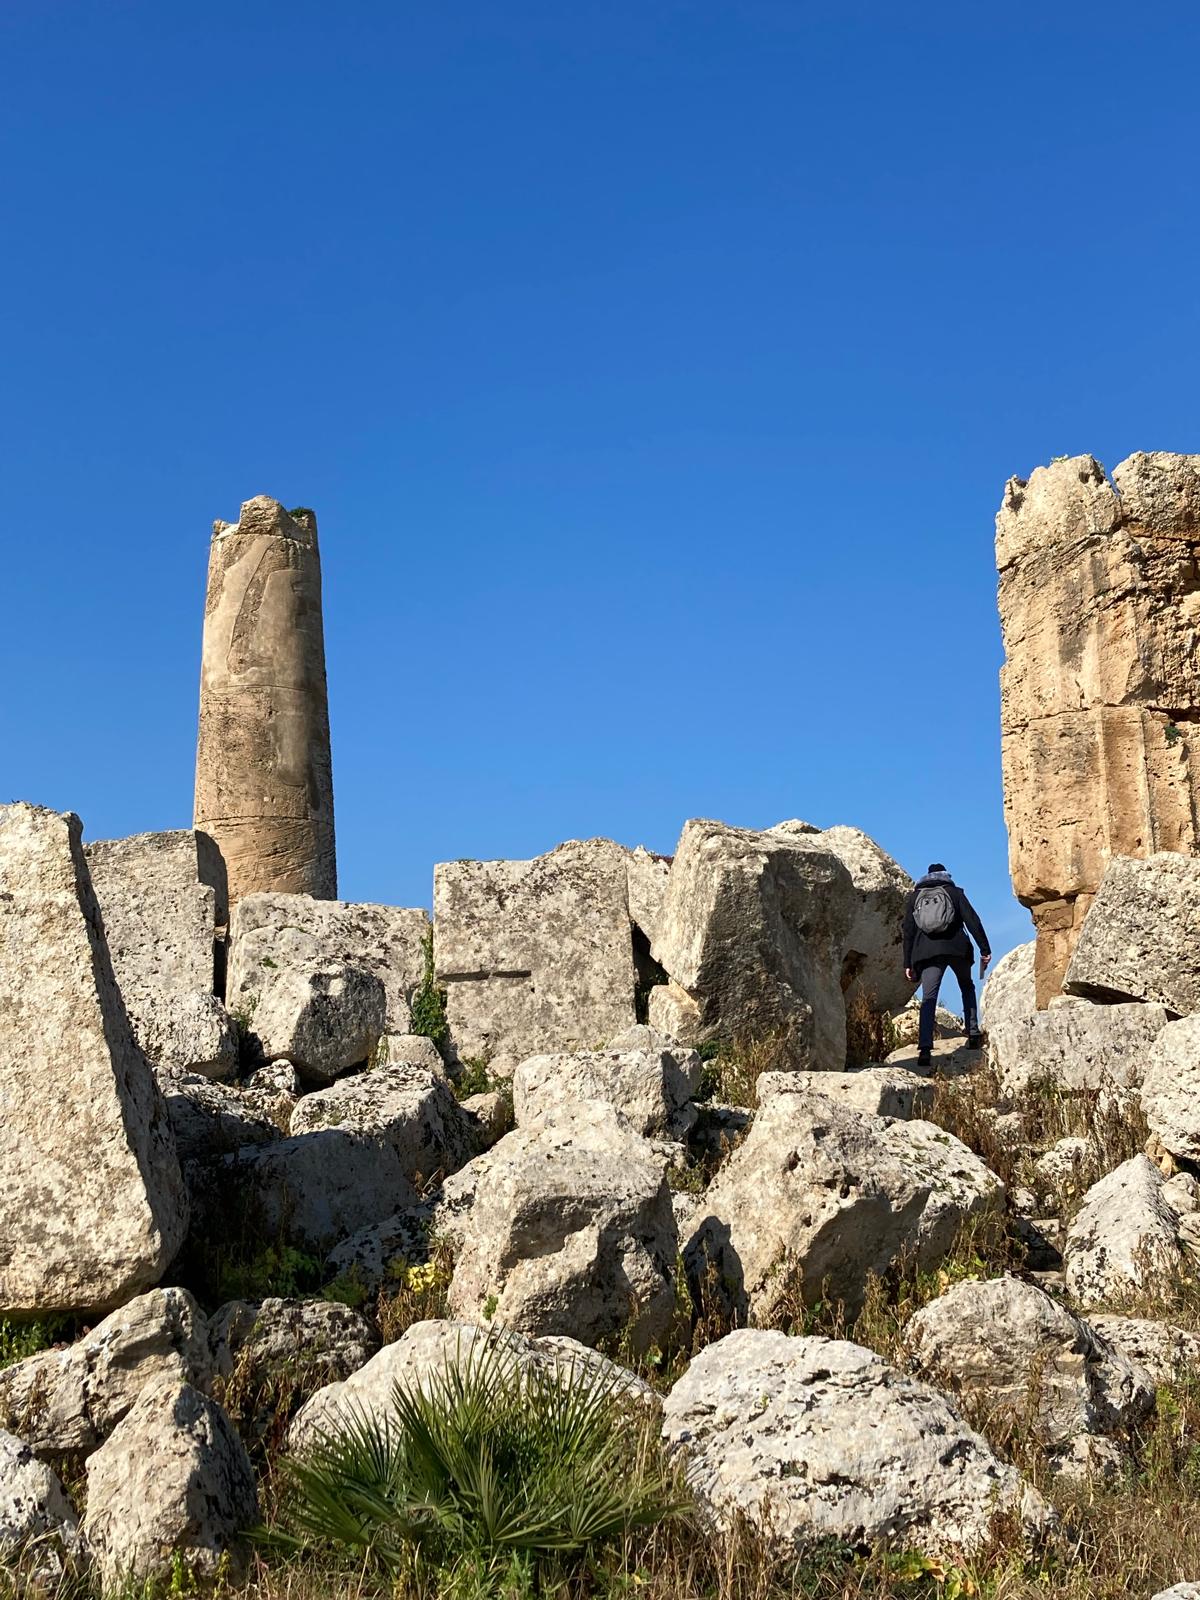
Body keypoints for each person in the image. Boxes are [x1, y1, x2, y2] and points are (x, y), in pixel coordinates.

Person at [902, 863, 991, 1066]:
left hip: (928, 953)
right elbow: (972, 921)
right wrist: (984, 949)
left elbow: (908, 930)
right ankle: (973, 1033)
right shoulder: (954, 892)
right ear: (945, 875)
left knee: (929, 998)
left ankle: (925, 1049)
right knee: (966, 986)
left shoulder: (915, 897)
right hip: (957, 949)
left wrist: (907, 962)